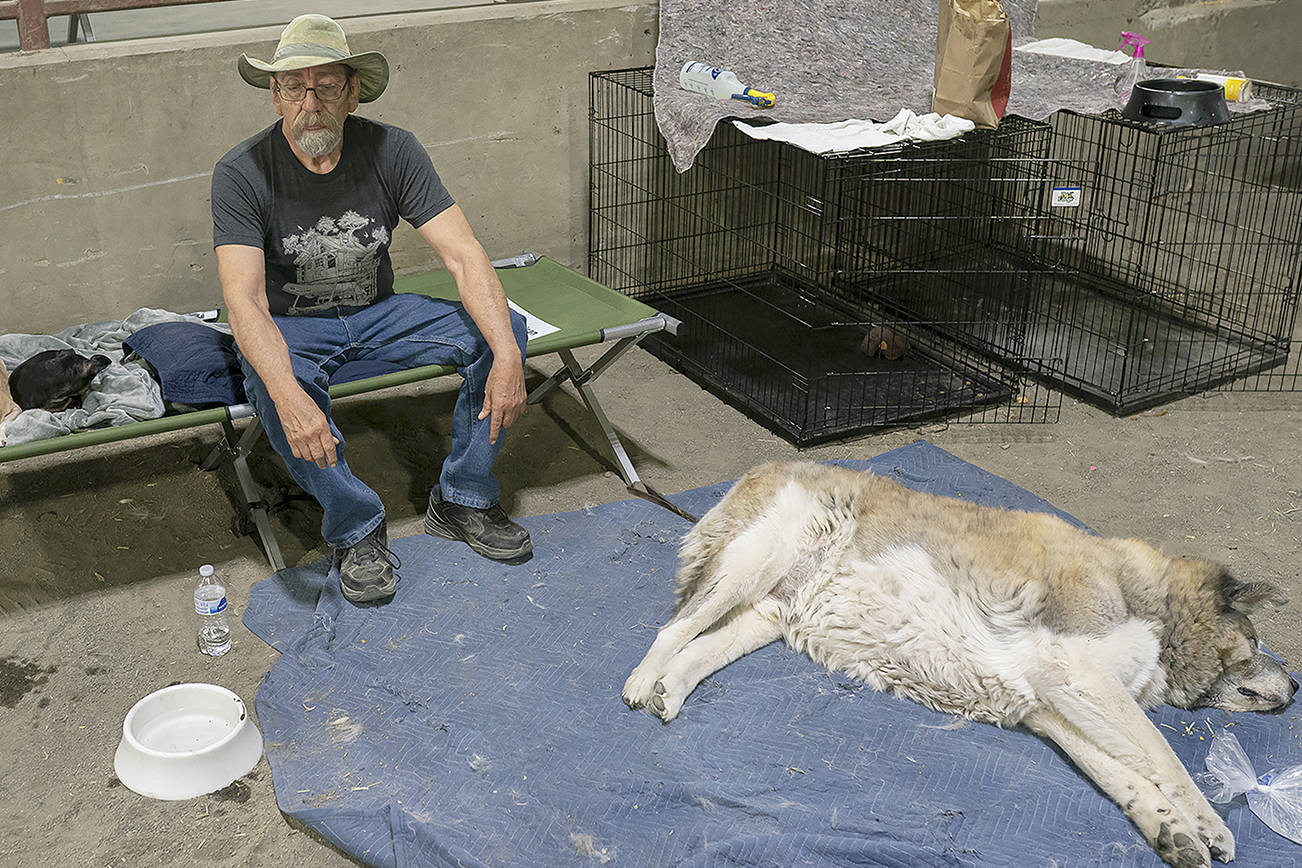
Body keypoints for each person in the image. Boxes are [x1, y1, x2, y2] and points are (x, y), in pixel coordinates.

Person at [211, 14, 532, 605]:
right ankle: (356, 527)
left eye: (326, 85)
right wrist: (288, 397)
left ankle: (463, 497)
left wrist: (509, 355)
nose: (310, 103)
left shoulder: (392, 149)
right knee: (269, 375)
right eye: (293, 87)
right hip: (293, 325)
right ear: (275, 94)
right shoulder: (241, 171)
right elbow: (245, 300)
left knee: (501, 330)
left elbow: (464, 255)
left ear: (352, 91)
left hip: (381, 313)